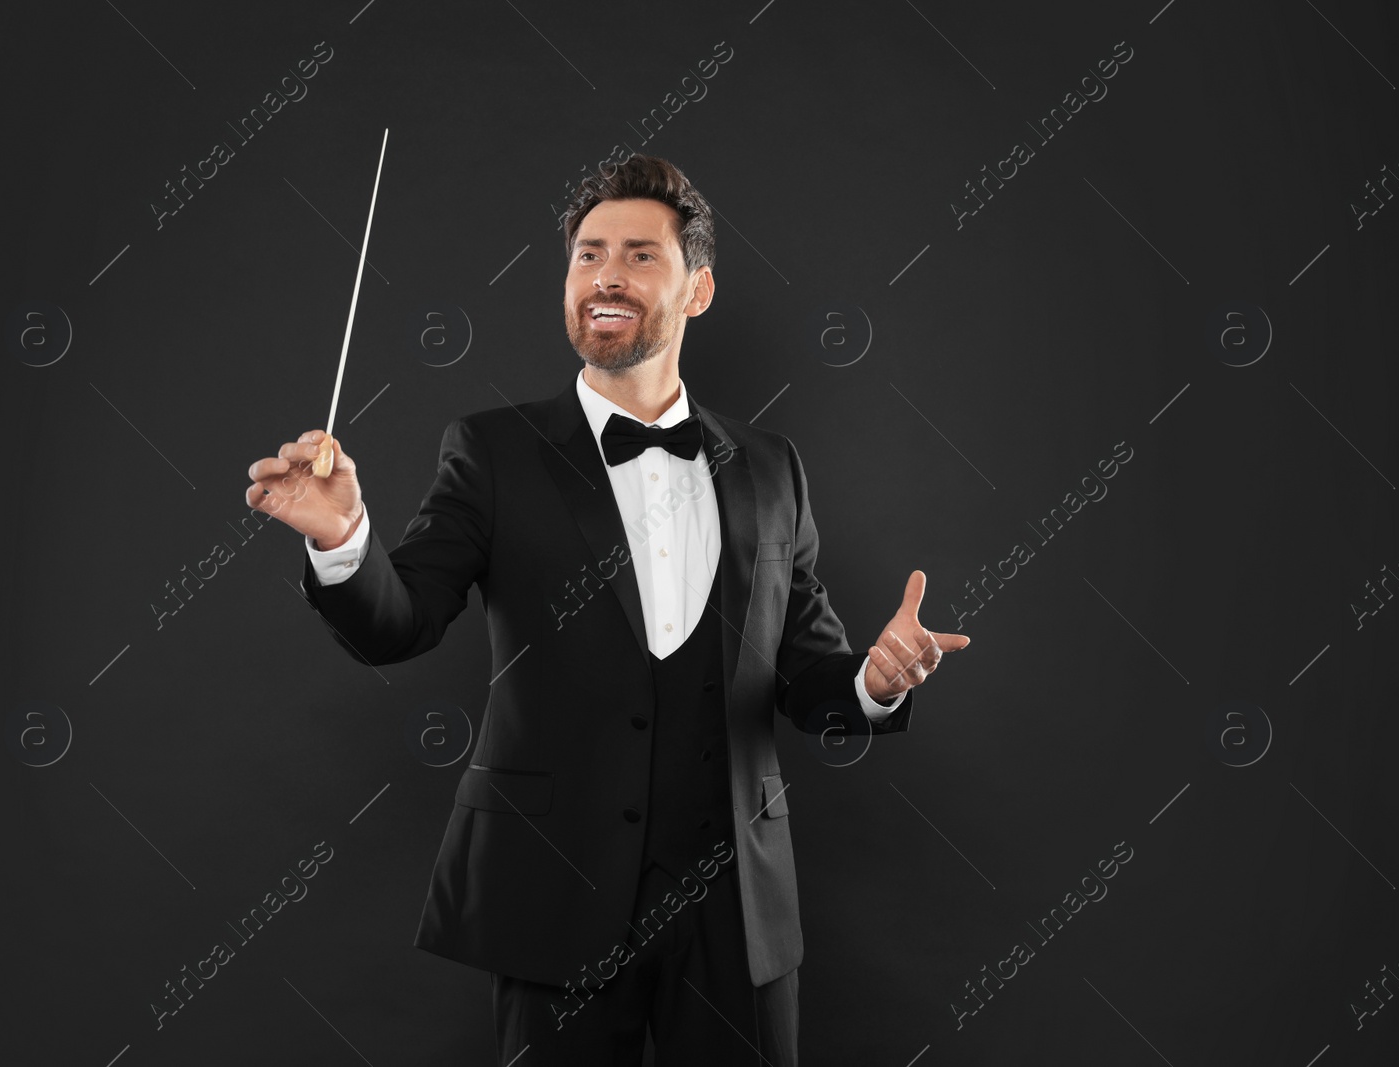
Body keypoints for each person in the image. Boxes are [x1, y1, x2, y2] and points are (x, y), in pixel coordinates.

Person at [244, 155, 969, 1065]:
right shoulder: (492, 451)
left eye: (638, 255)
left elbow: (805, 673)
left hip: (736, 906)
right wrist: (343, 535)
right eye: (588, 255)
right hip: (554, 896)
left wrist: (874, 680)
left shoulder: (772, 467)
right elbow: (400, 623)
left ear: (697, 289)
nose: (606, 276)